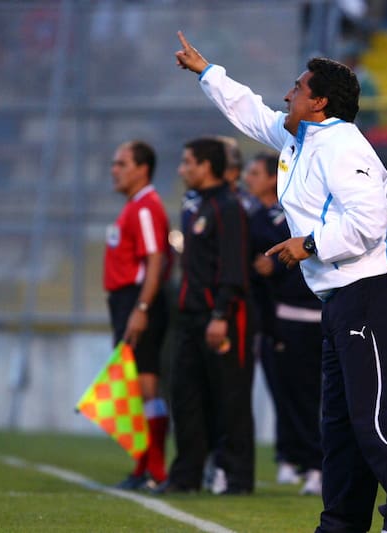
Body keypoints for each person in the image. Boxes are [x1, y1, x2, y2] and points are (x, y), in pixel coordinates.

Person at [175, 32, 387, 533]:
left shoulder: (343, 145)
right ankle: (341, 522)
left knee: (377, 414)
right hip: (342, 297)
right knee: (339, 425)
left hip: (372, 290)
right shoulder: (301, 137)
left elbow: (371, 223)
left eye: (296, 89)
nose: (286, 95)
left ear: (319, 102)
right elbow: (250, 112)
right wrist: (207, 71)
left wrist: (309, 244)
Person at [157, 137, 254, 495]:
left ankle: (236, 477)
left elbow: (233, 267)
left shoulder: (229, 207)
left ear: (206, 166)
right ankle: (186, 476)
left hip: (220, 317)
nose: (182, 169)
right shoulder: (195, 207)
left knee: (230, 399)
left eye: (187, 163)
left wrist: (221, 314)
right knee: (185, 396)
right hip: (189, 316)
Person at [245, 151, 323, 495]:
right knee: (285, 395)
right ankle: (292, 458)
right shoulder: (259, 215)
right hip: (277, 318)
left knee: (303, 396)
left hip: (300, 317)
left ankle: (315, 464)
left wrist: (273, 266)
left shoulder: (284, 217)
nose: (249, 178)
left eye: (255, 172)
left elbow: (299, 259)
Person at [103, 140, 172, 490]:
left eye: (121, 163)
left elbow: (155, 259)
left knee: (146, 385)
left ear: (142, 169)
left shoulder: (146, 207)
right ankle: (144, 467)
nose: (114, 169)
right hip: (127, 302)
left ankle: (154, 471)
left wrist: (141, 308)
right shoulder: (134, 207)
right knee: (134, 387)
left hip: (138, 301)